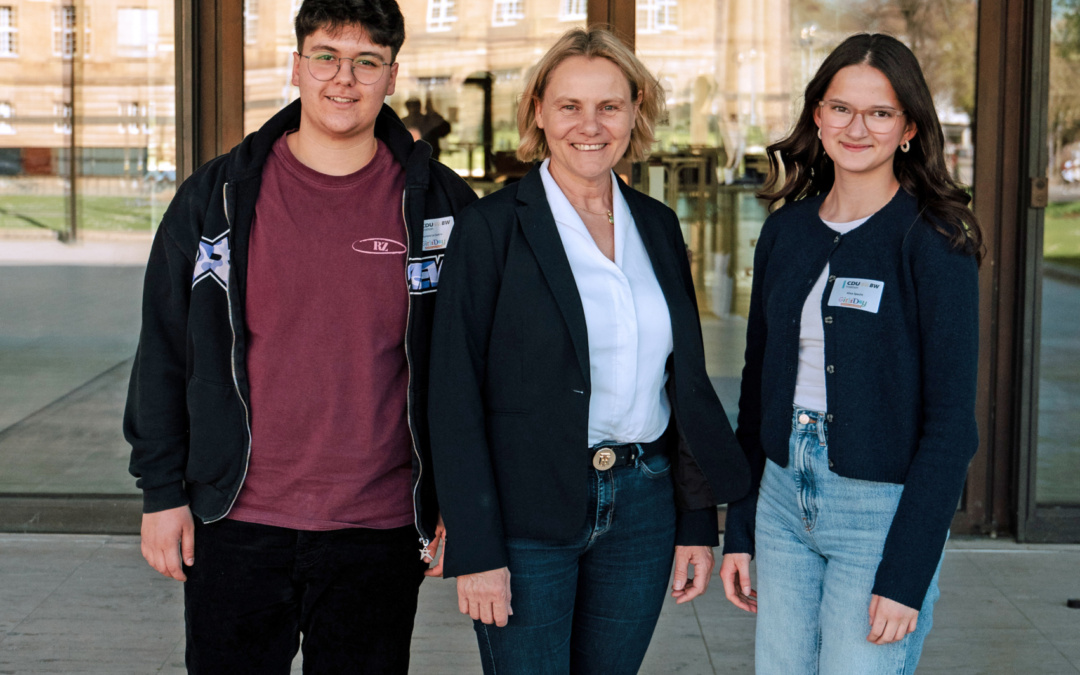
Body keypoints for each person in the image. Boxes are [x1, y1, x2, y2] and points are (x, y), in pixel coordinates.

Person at [123, 0, 476, 671]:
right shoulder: (218, 199)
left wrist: (460, 503)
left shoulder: (442, 207)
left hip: (377, 528)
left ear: (392, 76)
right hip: (237, 518)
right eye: (326, 57)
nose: (345, 79)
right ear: (296, 65)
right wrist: (161, 492)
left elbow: (473, 369)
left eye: (367, 61)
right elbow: (166, 349)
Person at [428, 27, 751, 674]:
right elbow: (452, 392)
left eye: (609, 105)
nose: (590, 124)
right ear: (539, 113)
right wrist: (476, 544)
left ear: (635, 111)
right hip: (524, 514)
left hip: (642, 504)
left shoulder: (656, 226)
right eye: (570, 105)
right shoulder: (489, 229)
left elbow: (680, 381)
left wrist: (694, 520)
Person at [718, 33, 983, 674]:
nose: (856, 127)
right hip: (782, 498)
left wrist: (908, 572)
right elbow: (758, 392)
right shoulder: (785, 230)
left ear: (910, 128)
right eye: (841, 108)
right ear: (817, 114)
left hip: (879, 512)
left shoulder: (935, 239)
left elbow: (951, 426)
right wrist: (743, 528)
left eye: (880, 112)